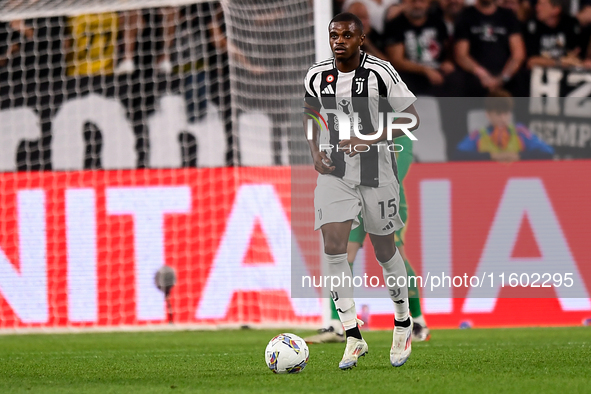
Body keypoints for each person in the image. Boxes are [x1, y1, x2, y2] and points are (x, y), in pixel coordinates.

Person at [303, 12, 420, 369]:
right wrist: (314, 152)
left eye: (347, 35)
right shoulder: (316, 75)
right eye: (334, 34)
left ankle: (403, 323)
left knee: (385, 250)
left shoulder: (381, 73)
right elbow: (310, 114)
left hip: (377, 171)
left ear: (361, 39)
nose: (339, 40)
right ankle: (352, 336)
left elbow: (411, 119)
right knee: (333, 248)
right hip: (335, 173)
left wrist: (367, 138)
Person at [305, 135, 430, 345]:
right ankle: (337, 324)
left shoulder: (394, 119)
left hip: (386, 196)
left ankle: (416, 320)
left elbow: (402, 161)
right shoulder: (350, 115)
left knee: (393, 253)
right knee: (341, 253)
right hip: (351, 193)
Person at [454, 89, 554, 161]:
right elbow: (458, 155)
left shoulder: (520, 132)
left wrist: (519, 156)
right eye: (498, 114)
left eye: (506, 113)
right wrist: (491, 156)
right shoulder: (479, 135)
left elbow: (548, 153)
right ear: (488, 114)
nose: (503, 118)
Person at [454, 0, 526, 96]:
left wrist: (503, 78)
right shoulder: (465, 16)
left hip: (506, 77)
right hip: (475, 76)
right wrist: (483, 75)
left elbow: (518, 55)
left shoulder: (508, 16)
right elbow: (461, 55)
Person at [385, 0, 455, 96]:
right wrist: (425, 70)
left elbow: (448, 49)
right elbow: (397, 61)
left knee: (456, 78)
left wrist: (448, 61)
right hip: (410, 72)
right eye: (413, 2)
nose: (417, 5)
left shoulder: (438, 22)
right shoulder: (395, 25)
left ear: (428, 4)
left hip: (437, 69)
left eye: (422, 1)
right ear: (404, 3)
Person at [523, 0, 584, 70]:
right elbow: (531, 61)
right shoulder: (532, 26)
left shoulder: (570, 24)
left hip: (567, 74)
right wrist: (560, 62)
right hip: (538, 75)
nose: (537, 7)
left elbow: (575, 57)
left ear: (556, 9)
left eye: (542, 5)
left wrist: (545, 62)